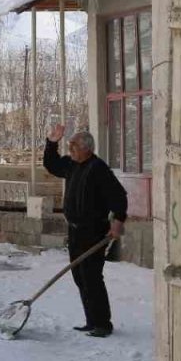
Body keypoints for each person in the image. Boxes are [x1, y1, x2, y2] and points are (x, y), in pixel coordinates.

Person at [42, 124, 128, 338]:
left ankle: (103, 324)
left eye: (73, 146)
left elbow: (119, 197)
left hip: (93, 232)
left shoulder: (98, 169)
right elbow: (51, 164)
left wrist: (118, 221)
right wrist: (52, 143)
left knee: (91, 277)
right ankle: (91, 321)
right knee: (80, 277)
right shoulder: (72, 165)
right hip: (75, 231)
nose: (70, 149)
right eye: (69, 145)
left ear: (87, 149)